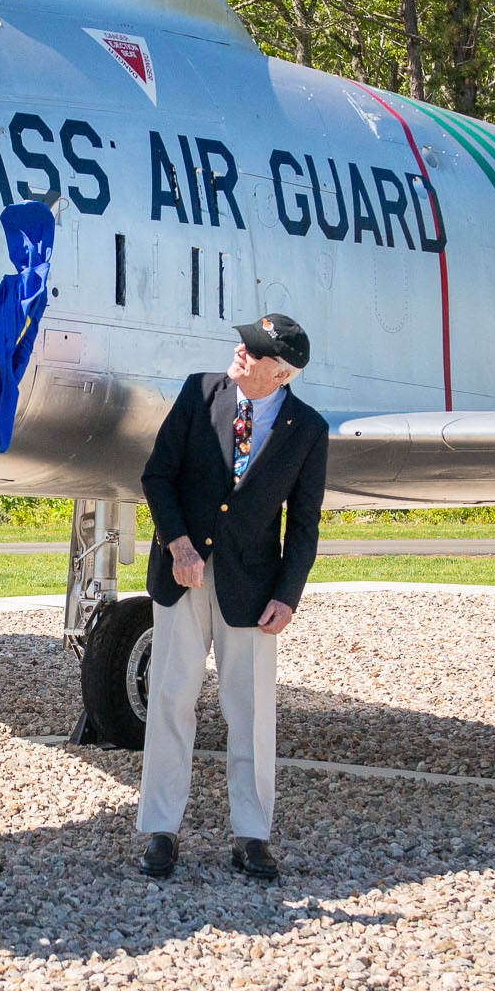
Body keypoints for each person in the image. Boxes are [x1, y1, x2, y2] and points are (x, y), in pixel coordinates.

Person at [135, 312, 327, 883]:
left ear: (281, 373)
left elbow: (306, 526)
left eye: (254, 350)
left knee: (249, 711)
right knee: (170, 699)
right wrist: (179, 545)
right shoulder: (198, 393)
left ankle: (252, 836)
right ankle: (161, 830)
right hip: (182, 576)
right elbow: (156, 476)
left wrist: (288, 597)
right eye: (244, 342)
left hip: (253, 590)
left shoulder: (308, 430)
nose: (240, 351)